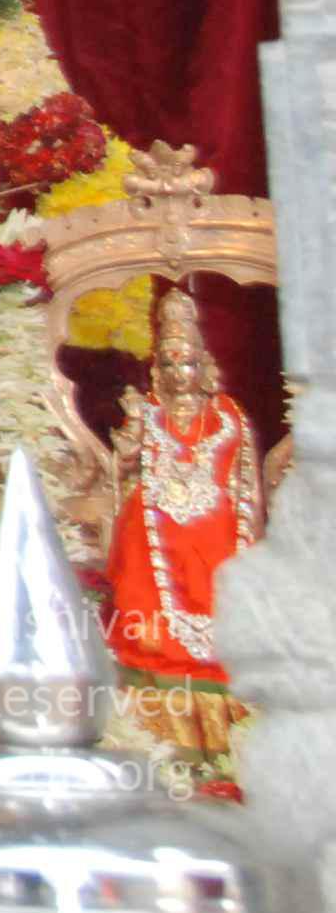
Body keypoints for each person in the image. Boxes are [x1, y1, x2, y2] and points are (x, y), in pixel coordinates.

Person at [107, 276, 267, 786]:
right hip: (155, 530)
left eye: (189, 363)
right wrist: (132, 429)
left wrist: (251, 539)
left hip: (218, 528)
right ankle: (164, 725)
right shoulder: (148, 413)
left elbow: (247, 484)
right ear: (158, 368)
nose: (180, 373)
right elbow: (125, 464)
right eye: (171, 364)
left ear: (205, 365)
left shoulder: (228, 415)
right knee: (143, 584)